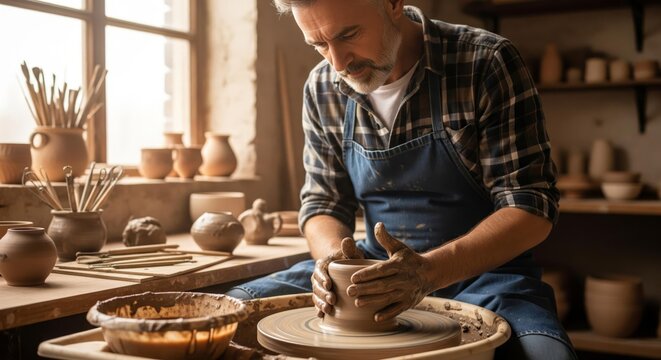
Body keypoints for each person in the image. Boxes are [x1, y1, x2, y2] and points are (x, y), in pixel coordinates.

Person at [227, 1, 576, 358]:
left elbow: (531, 208)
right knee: (226, 312)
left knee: (547, 355)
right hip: (373, 271)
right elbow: (322, 203)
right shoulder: (322, 86)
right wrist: (335, 263)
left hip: (487, 274)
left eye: (348, 34)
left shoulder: (485, 62)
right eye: (319, 44)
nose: (338, 62)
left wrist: (427, 273)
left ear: (393, 4)